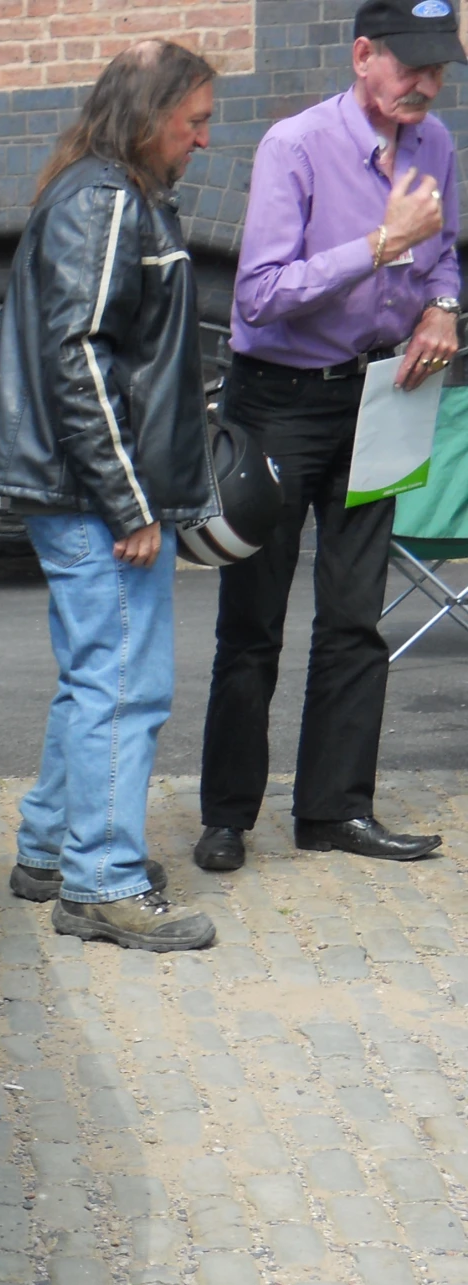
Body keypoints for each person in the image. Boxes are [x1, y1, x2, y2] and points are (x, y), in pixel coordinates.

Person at [195, 0, 457, 872]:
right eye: (412, 65)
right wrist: (383, 245)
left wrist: (444, 307)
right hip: (275, 400)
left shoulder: (438, 145)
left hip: (382, 398)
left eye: (440, 67)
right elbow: (260, 295)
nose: (429, 82)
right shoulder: (294, 147)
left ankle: (334, 811)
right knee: (254, 619)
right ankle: (228, 815)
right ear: (361, 57)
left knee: (355, 616)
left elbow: (447, 255)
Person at [0, 41, 221, 951]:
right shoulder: (106, 201)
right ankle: (102, 882)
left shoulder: (101, 194)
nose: (202, 140)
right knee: (125, 686)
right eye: (193, 121)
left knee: (97, 676)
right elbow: (80, 358)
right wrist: (130, 503)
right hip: (96, 498)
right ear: (148, 116)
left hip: (83, 490)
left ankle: (52, 850)